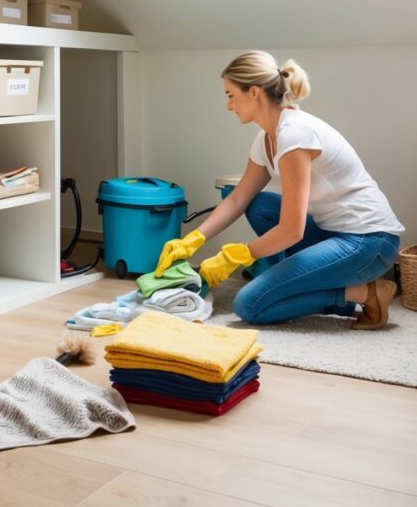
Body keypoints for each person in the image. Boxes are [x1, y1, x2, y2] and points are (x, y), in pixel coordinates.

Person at [155, 51, 403, 329]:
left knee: (250, 305)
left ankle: (367, 292)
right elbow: (238, 199)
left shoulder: (295, 135)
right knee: (259, 204)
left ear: (254, 92)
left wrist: (235, 254)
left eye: (230, 95)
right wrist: (194, 238)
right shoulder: (266, 139)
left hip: (369, 243)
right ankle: (281, 282)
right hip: (334, 234)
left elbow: (291, 231)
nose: (228, 106)